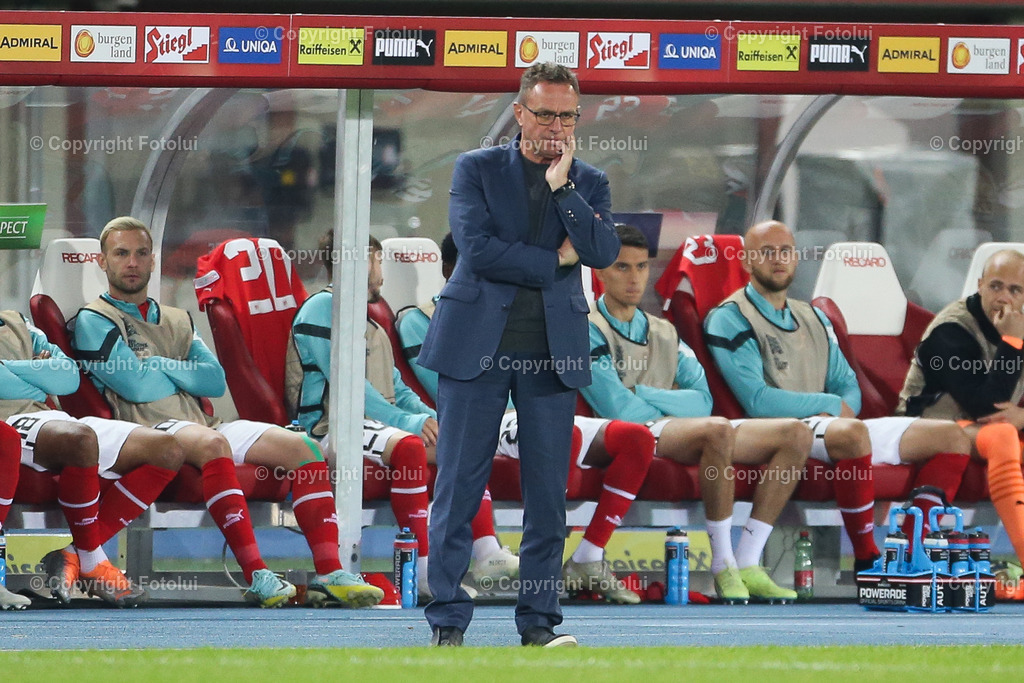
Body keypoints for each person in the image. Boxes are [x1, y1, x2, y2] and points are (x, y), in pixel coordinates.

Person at [72, 216, 384, 609]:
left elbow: (214, 381)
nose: (131, 262)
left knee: (303, 448)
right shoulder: (93, 319)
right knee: (213, 442)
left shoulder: (177, 317)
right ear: (103, 262)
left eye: (140, 253)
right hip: (147, 432)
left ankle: (330, 572)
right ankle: (257, 574)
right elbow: (136, 387)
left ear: (153, 261)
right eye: (121, 254)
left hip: (202, 423)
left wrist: (160, 365)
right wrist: (181, 371)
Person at [417, 62, 621, 647]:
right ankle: (448, 623)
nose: (556, 126)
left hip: (552, 353)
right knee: (457, 486)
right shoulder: (475, 168)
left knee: (547, 496)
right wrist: (557, 259)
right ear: (519, 112)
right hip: (474, 348)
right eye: (545, 113)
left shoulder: (589, 181)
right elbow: (477, 252)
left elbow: (602, 249)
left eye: (567, 116)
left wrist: (564, 189)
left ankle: (537, 625)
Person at [397, 233, 655, 605]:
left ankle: (588, 558)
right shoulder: (421, 319)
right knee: (511, 436)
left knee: (636, 438)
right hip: (487, 412)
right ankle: (495, 555)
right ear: (451, 270)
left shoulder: (513, 307)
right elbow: (449, 386)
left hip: (530, 406)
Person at [704, 220, 972, 569]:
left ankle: (910, 549)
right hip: (778, 431)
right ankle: (866, 559)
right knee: (853, 431)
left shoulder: (815, 316)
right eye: (766, 252)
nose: (778, 259)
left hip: (832, 426)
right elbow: (758, 400)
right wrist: (831, 406)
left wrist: (839, 409)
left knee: (953, 436)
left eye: (785, 250)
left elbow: (848, 385)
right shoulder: (730, 317)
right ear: (746, 260)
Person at [581, 224, 809, 603]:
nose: (634, 277)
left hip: (680, 427)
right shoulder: (585, 328)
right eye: (622, 267)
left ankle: (749, 559)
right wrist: (667, 399)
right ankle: (723, 563)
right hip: (623, 435)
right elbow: (618, 407)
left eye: (641, 267)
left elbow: (701, 400)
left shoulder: (664, 331)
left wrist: (644, 391)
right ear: (600, 272)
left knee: (796, 434)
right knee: (716, 431)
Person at [286, 233, 519, 602]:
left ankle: (487, 552)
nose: (381, 272)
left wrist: (436, 419)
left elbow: (397, 388)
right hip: (328, 429)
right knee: (410, 446)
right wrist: (410, 424)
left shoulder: (371, 323)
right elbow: (350, 391)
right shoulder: (322, 309)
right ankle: (425, 572)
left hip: (370, 425)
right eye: (377, 262)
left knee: (460, 441)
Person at [0, 310, 186, 607]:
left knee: (167, 450)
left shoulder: (15, 320)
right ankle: (92, 560)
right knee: (81, 439)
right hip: (6, 423)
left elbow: (67, 377)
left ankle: (78, 554)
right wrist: (39, 373)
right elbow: (19, 383)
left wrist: (11, 369)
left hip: (51, 416)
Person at [898, 248, 1024, 564]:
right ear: (980, 284)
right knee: (1003, 436)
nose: (1004, 298)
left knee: (1005, 431)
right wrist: (1012, 343)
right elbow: (986, 407)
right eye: (996, 286)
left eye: (1015, 290)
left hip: (975, 428)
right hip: (926, 426)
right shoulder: (952, 331)